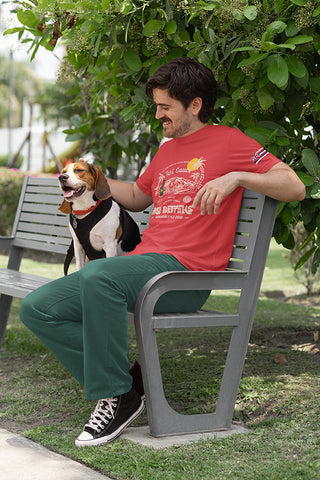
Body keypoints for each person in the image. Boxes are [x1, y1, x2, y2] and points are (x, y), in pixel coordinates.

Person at [19, 57, 305, 447]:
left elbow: (293, 185)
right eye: (157, 105)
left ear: (195, 105)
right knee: (38, 308)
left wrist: (235, 177)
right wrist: (95, 181)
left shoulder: (230, 141)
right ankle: (127, 380)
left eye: (165, 106)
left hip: (185, 275)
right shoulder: (168, 149)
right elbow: (138, 197)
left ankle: (116, 397)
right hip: (145, 266)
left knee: (97, 274)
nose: (158, 114)